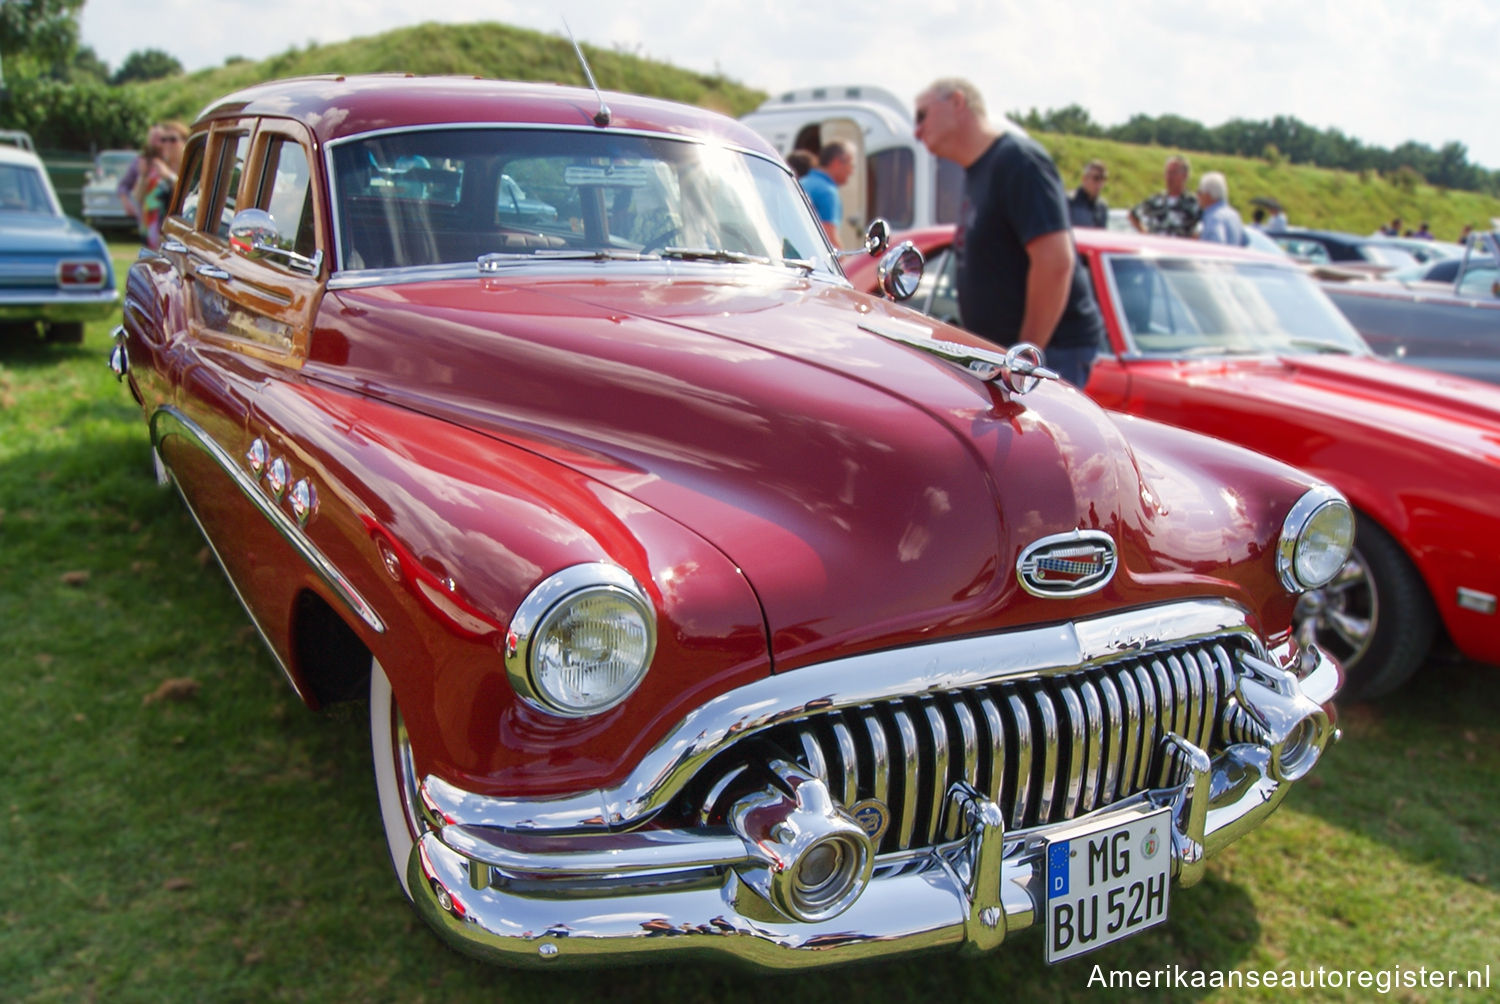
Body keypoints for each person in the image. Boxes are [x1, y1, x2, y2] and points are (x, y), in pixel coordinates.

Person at [913, 77, 1106, 388]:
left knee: (1042, 438)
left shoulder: (1018, 162)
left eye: (922, 115)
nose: (917, 131)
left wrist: (1024, 359)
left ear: (958, 102)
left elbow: (1055, 262)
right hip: (1007, 357)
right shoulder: (979, 171)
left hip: (1049, 353)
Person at [133, 120, 188, 249]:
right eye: (163, 140)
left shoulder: (190, 169)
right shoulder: (155, 168)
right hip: (152, 234)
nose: (167, 144)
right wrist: (143, 176)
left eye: (172, 140)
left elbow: (189, 197)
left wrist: (169, 176)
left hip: (176, 236)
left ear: (184, 143)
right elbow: (138, 198)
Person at [1130, 155, 1200, 237]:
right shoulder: (1156, 200)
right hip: (1157, 248)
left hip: (1179, 248)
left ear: (1185, 176)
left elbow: (1202, 226)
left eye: (1174, 173)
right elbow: (1133, 214)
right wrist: (1146, 234)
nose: (1169, 177)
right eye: (1168, 173)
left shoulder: (1193, 203)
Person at [800, 140, 854, 245]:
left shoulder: (801, 182)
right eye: (850, 164)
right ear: (837, 162)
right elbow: (830, 240)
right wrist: (844, 260)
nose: (851, 171)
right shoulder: (827, 192)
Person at [116, 125, 160, 229]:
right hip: (146, 219)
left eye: (158, 139)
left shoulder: (171, 161)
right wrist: (126, 202)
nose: (155, 143)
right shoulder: (139, 161)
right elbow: (124, 185)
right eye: (152, 139)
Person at [1196, 171, 1248, 246]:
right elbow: (1245, 241)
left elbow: (1215, 245)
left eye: (1199, 192)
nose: (1197, 196)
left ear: (1208, 194)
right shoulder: (1234, 215)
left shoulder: (1213, 217)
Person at [1067, 159, 1109, 228]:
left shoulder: (1102, 206)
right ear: (1084, 179)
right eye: (1096, 178)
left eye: (1103, 179)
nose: (1100, 184)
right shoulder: (1069, 201)